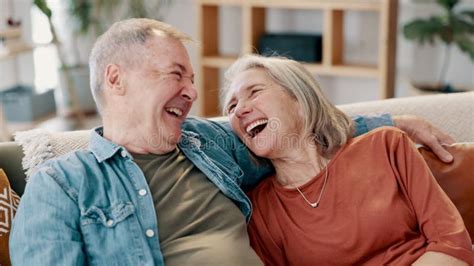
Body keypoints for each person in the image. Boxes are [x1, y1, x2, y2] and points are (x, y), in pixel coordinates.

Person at [10, 19, 457, 265]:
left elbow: (297, 129)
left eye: (191, 78)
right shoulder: (62, 184)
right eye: (175, 75)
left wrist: (397, 120)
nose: (191, 91)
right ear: (116, 79)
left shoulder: (208, 144)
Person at [221, 54, 474, 265]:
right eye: (231, 107)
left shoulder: (386, 146)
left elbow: (452, 244)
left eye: (254, 92)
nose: (240, 111)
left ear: (299, 99)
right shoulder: (260, 210)